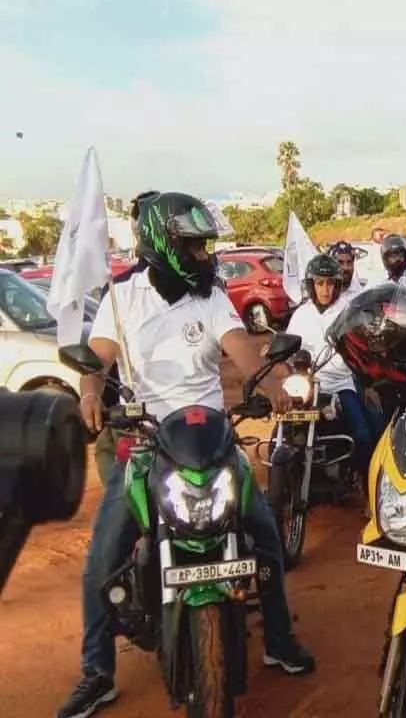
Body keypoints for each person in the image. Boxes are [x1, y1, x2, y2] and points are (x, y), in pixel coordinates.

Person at [58, 191, 315, 718]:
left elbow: (245, 353)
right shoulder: (121, 299)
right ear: (164, 244)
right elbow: (98, 361)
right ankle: (97, 671)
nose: (205, 256)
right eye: (195, 247)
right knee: (102, 560)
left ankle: (278, 639)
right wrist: (88, 393)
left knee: (265, 536)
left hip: (212, 440)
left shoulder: (211, 298)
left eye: (205, 246)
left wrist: (281, 384)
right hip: (151, 444)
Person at [285, 254, 374, 480]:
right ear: (311, 285)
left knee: (363, 435)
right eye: (320, 283)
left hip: (340, 384)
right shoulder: (301, 314)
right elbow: (288, 349)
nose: (325, 290)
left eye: (330, 283)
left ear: (338, 285)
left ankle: (364, 485)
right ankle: (280, 491)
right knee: (281, 431)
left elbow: (363, 349)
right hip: (306, 387)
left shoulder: (349, 313)